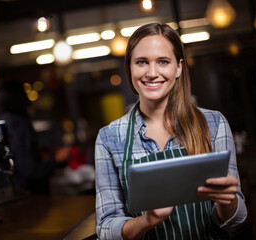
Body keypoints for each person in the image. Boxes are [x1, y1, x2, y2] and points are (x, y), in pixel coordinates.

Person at [95, 23, 247, 239]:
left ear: (178, 67)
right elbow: (105, 228)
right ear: (130, 67)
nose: (152, 73)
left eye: (163, 62)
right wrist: (146, 221)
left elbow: (236, 220)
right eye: (141, 62)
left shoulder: (214, 124)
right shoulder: (109, 138)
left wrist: (228, 201)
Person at [0, 80, 70, 194]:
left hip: (7, 194)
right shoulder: (19, 124)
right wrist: (56, 160)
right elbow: (29, 171)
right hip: (28, 196)